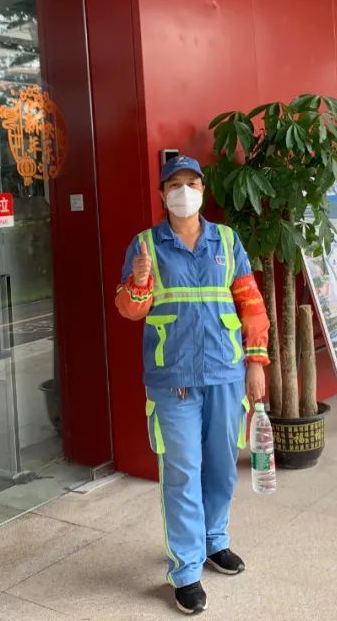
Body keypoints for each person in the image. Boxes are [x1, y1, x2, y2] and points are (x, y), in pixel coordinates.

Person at [116, 155, 270, 615]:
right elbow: (130, 309)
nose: (183, 191)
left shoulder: (227, 240)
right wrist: (139, 281)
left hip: (225, 372)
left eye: (192, 183)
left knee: (222, 467)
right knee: (182, 472)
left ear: (203, 190)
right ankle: (185, 571)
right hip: (174, 378)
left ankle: (214, 541)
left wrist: (256, 362)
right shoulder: (146, 244)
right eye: (174, 184)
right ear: (162, 193)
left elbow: (251, 304)